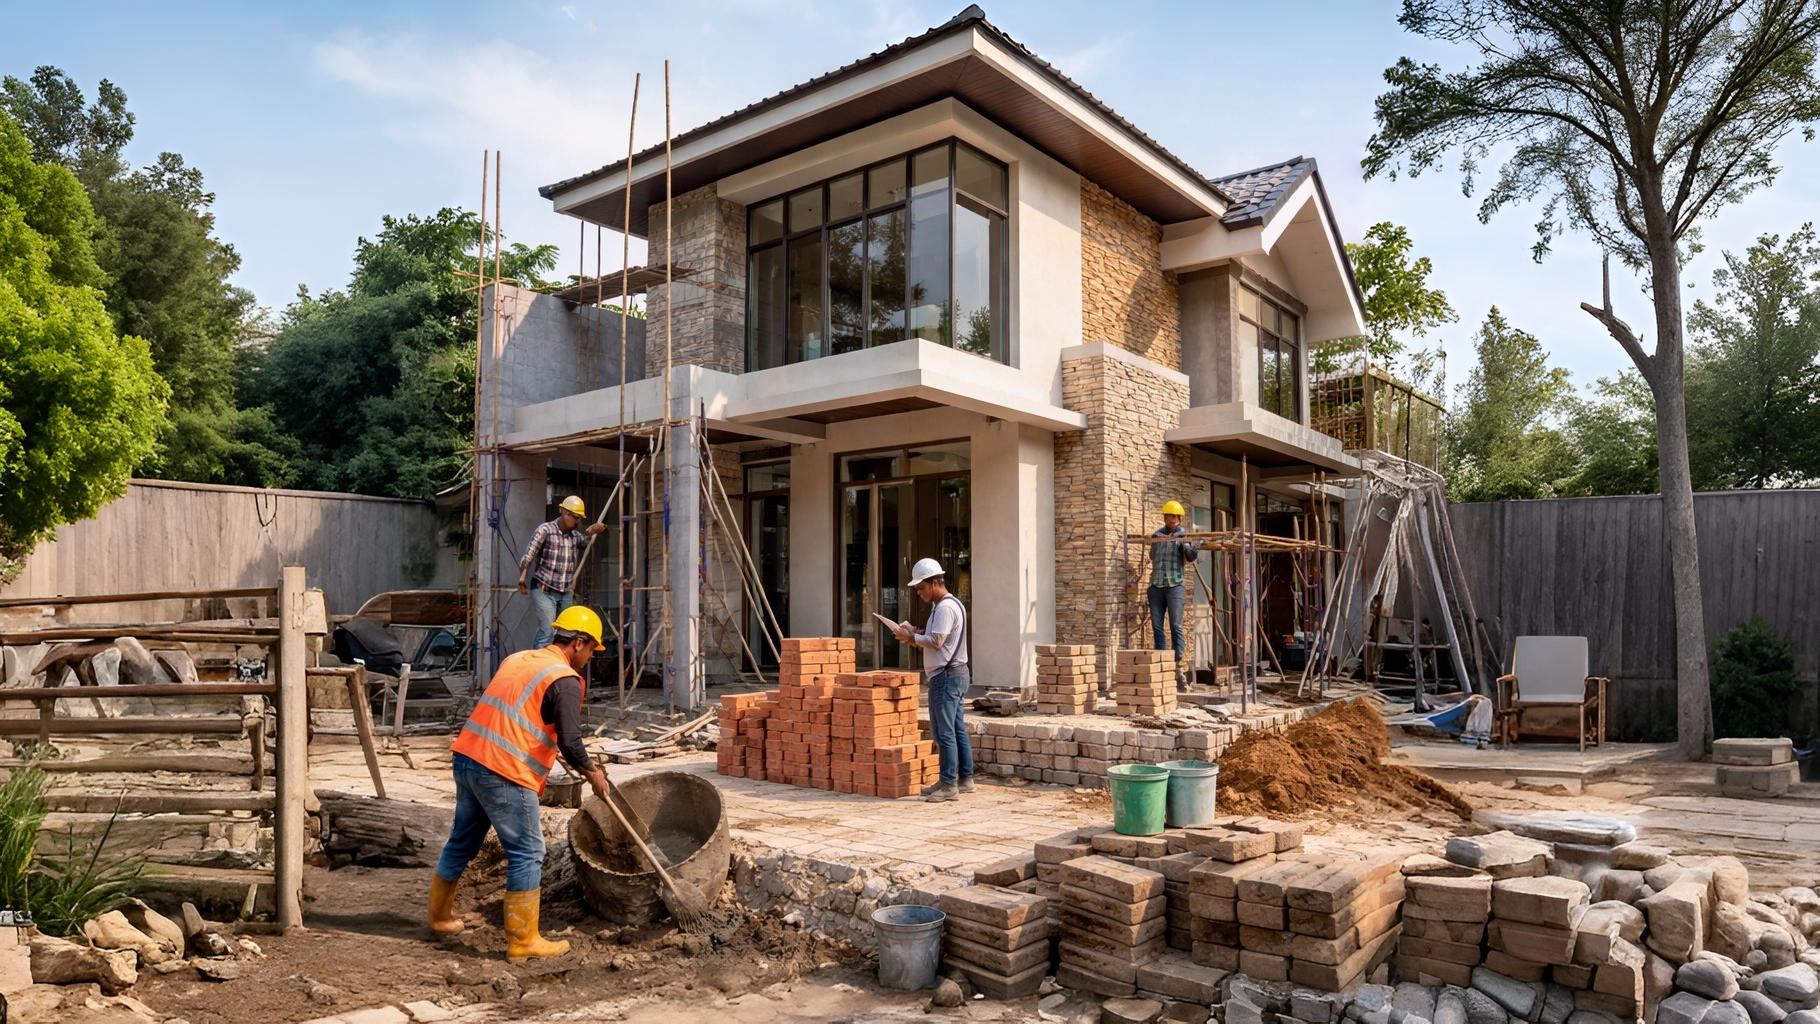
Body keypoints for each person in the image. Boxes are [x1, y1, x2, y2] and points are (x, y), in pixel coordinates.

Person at [428, 605, 612, 960]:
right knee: (527, 852)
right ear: (578, 642)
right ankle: (524, 940)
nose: (590, 657)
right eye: (591, 649)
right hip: (504, 771)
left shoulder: (518, 659)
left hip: (468, 757)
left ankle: (438, 917)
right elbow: (571, 741)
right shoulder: (565, 680)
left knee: (462, 842)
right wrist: (593, 774)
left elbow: (521, 714)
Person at [890, 558, 972, 802]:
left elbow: (937, 641)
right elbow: (937, 635)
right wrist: (914, 631)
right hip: (955, 675)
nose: (919, 593)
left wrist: (911, 637)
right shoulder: (948, 605)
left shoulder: (945, 607)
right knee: (956, 730)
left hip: (946, 677)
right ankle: (965, 779)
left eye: (921, 588)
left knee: (944, 732)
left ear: (935, 582)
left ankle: (949, 785)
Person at [517, 495, 606, 649]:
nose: (577, 522)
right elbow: (529, 554)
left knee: (565, 634)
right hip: (544, 589)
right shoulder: (545, 530)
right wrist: (522, 576)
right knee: (547, 631)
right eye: (576, 518)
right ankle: (540, 667)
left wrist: (593, 530)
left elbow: (585, 539)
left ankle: (557, 666)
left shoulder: (574, 537)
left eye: (579, 518)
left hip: (565, 592)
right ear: (565, 513)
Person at [1147, 499, 1198, 681]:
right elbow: (1152, 556)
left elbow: (1192, 557)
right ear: (1165, 518)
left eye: (1175, 517)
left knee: (1175, 626)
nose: (1172, 520)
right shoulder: (1156, 536)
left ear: (1179, 519)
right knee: (1157, 626)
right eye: (1169, 517)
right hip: (1156, 585)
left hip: (1175, 586)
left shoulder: (1185, 536)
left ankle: (1177, 664)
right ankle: (1161, 659)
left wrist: (1184, 545)